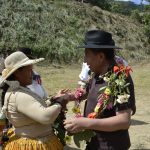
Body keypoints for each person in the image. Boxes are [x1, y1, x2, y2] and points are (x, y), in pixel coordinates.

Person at [64, 30, 136, 150]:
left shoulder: (120, 79)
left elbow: (124, 121)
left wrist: (85, 123)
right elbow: (86, 92)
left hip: (110, 146)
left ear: (101, 57)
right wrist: (66, 97)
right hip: (94, 144)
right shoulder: (96, 74)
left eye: (87, 55)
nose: (85, 61)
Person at [0, 51, 69, 150]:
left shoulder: (20, 90)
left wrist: (52, 100)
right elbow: (45, 117)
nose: (32, 74)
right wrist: (60, 102)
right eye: (29, 70)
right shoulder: (19, 95)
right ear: (17, 73)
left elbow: (33, 109)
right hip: (32, 145)